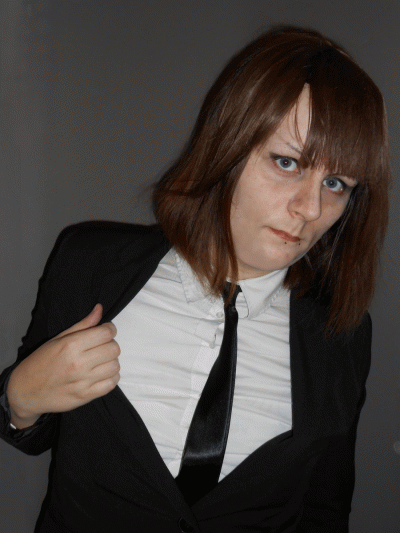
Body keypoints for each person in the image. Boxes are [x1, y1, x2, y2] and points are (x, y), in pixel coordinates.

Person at [0, 26, 390, 533]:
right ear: (228, 146)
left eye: (336, 183)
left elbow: (325, 509)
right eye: (288, 162)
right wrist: (19, 398)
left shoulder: (341, 335)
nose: (311, 208)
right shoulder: (92, 263)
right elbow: (31, 428)